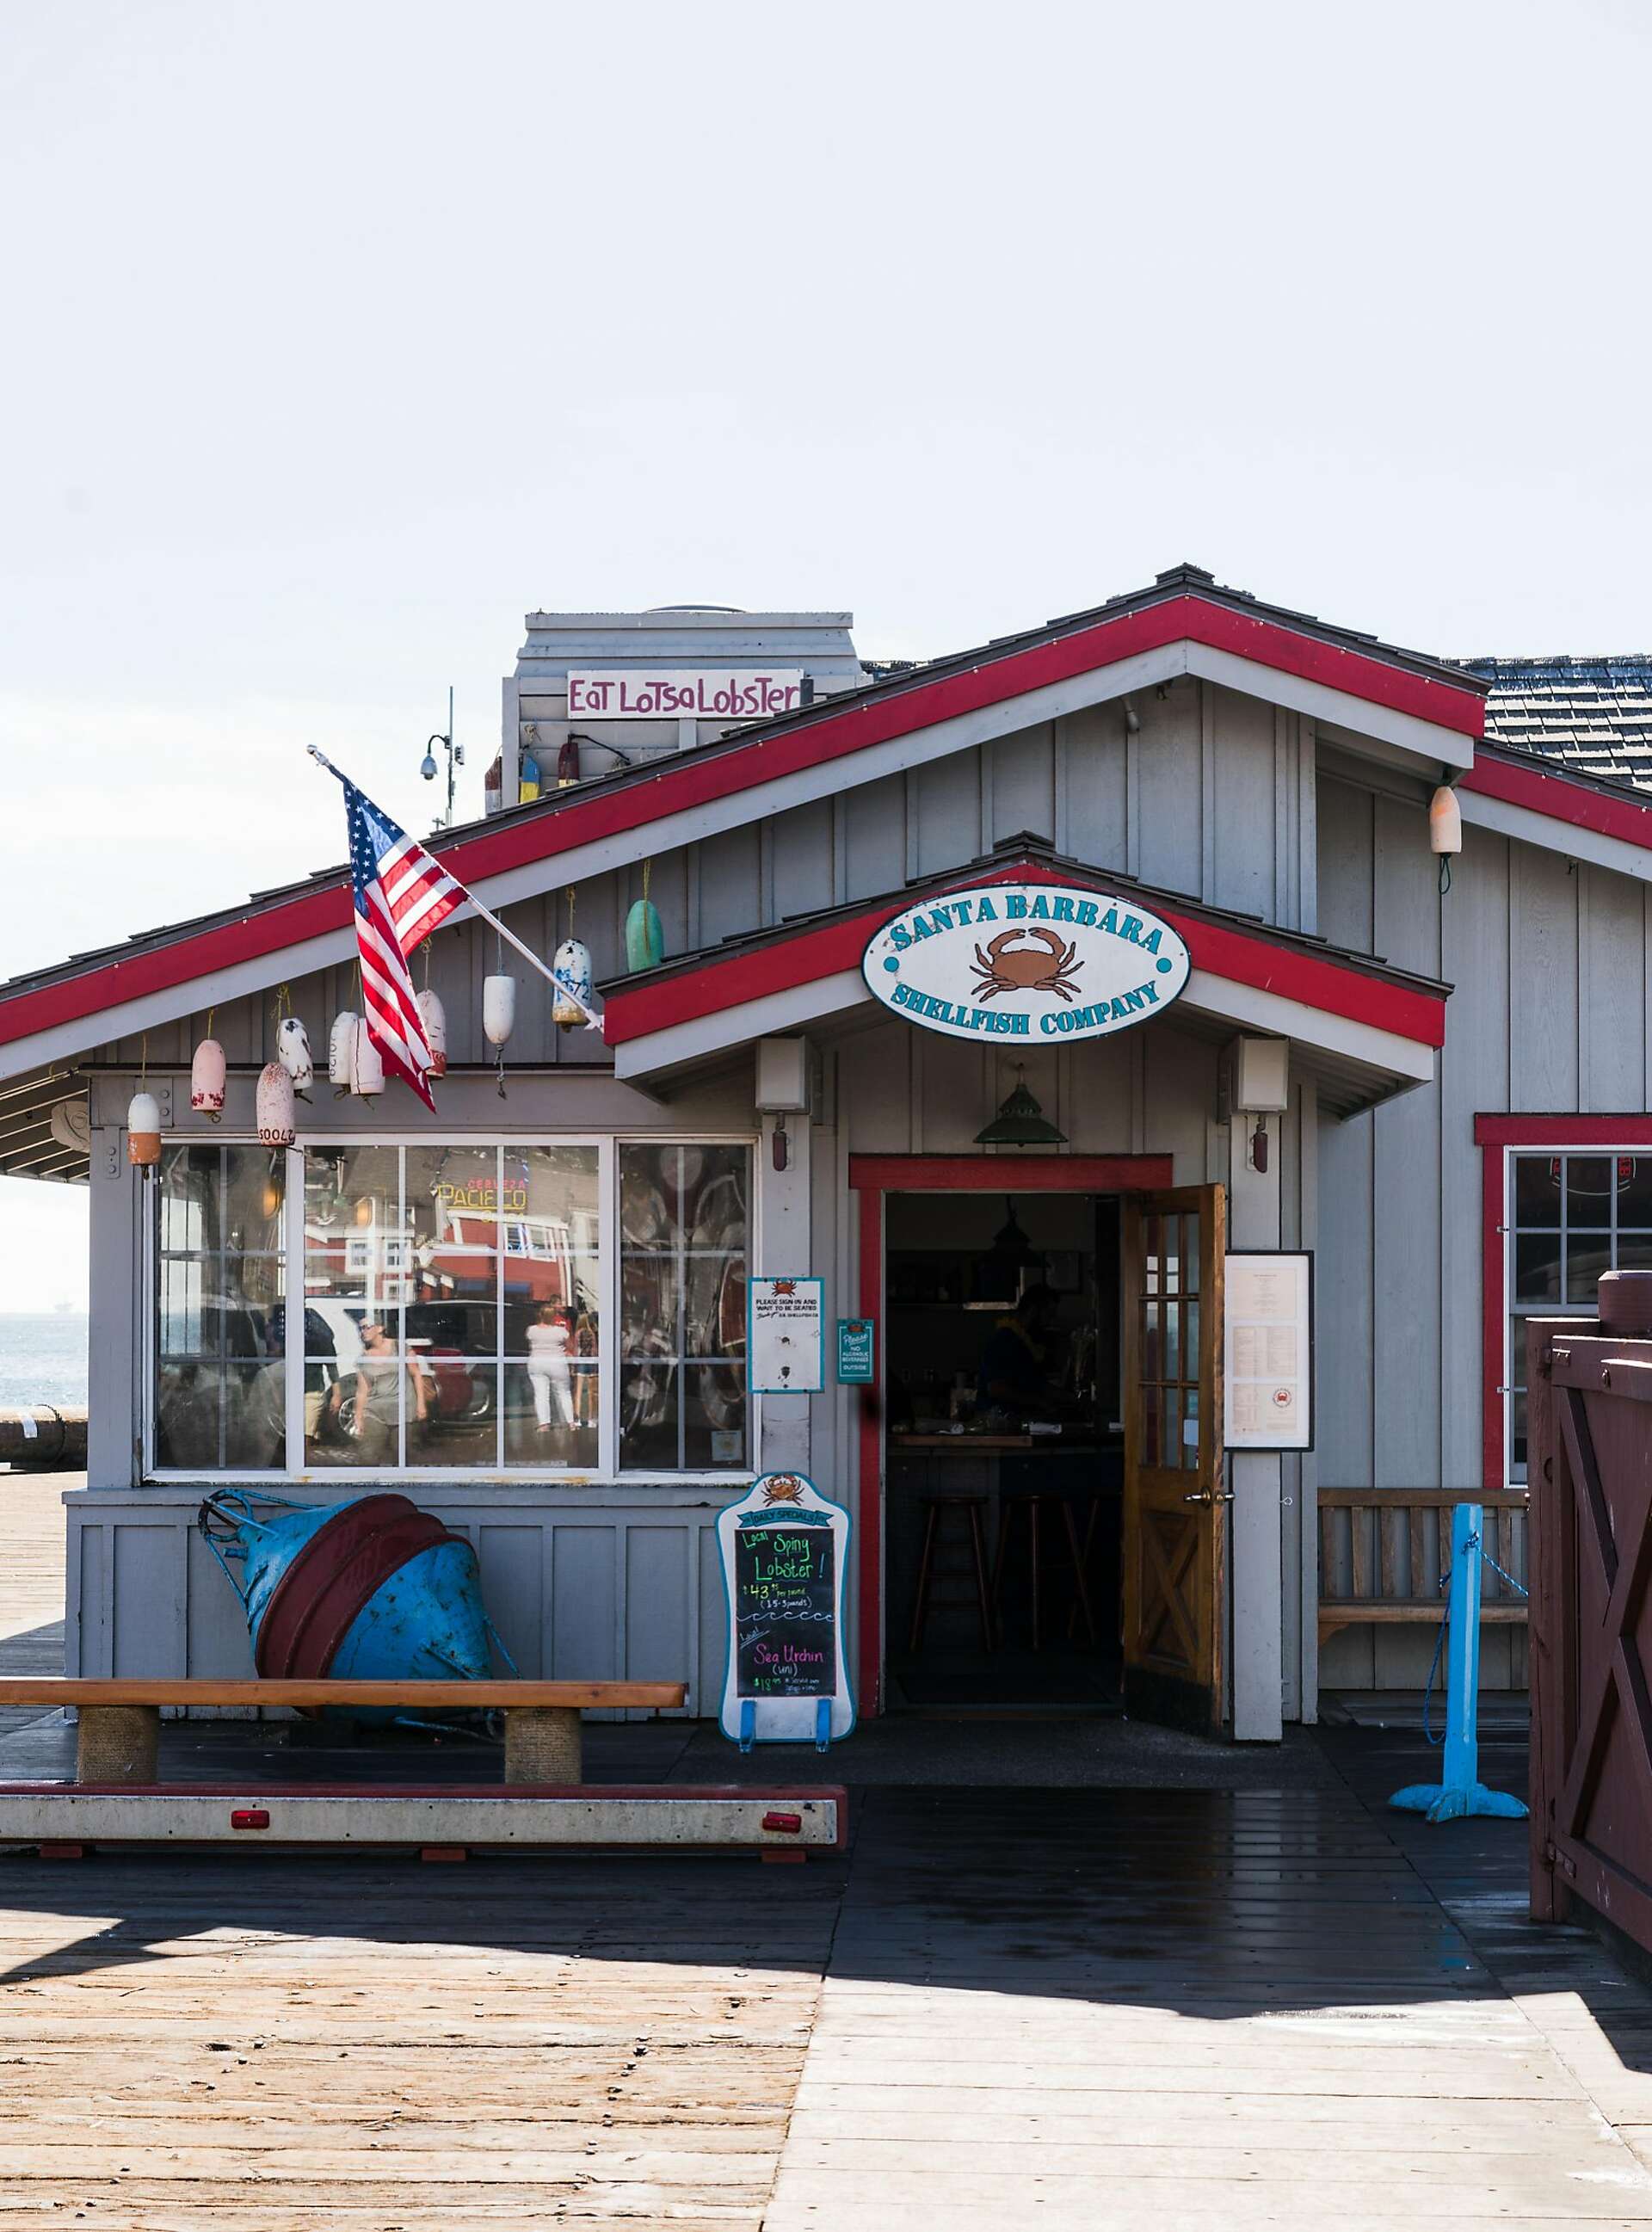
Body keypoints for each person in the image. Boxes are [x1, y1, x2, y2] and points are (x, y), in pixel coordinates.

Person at [976, 1284, 1074, 1422]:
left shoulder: (1027, 1345)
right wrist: (1038, 1401)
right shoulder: (1004, 1341)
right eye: (1049, 1315)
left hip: (1018, 1422)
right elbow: (996, 1388)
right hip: (998, 1424)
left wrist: (1071, 1398)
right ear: (1033, 1311)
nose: (1051, 1321)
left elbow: (1038, 1385)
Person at [352, 1319, 427, 1459]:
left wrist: (421, 1404)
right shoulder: (363, 1359)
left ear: (380, 1328)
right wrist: (358, 1416)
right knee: (368, 1453)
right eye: (361, 1328)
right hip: (375, 1411)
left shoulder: (400, 1348)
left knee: (402, 1452)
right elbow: (362, 1391)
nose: (363, 1332)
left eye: (367, 1327)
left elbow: (416, 1374)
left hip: (403, 1409)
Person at [526, 1302, 574, 1435]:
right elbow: (570, 1347)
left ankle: (544, 1424)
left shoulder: (532, 1330)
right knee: (564, 1393)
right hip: (557, 1363)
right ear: (554, 1316)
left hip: (537, 1363)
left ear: (540, 1315)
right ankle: (571, 1422)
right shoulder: (561, 1331)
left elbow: (529, 1340)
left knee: (541, 1394)